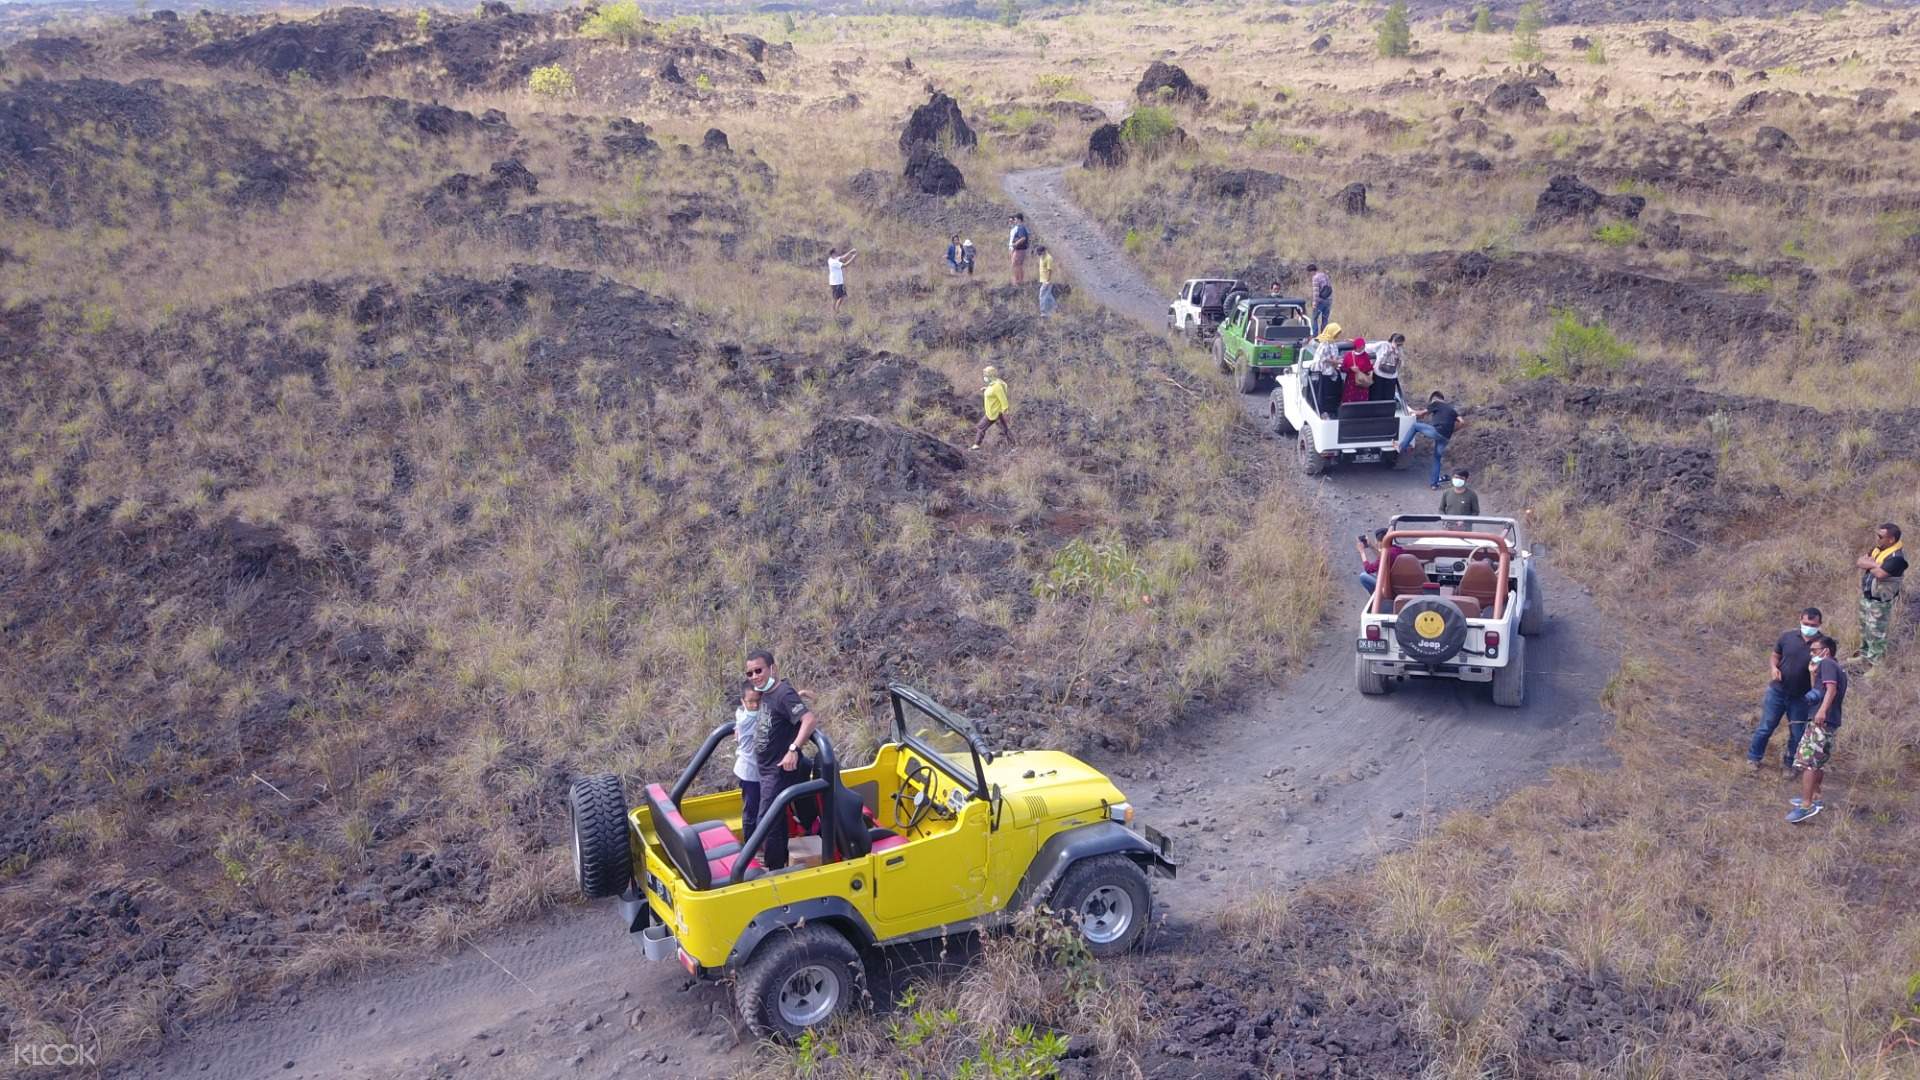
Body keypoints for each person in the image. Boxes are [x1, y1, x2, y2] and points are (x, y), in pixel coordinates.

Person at [745, 649, 818, 870]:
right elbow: (782, 704)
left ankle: (773, 872)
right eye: (750, 673)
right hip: (765, 770)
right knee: (772, 821)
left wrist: (793, 749)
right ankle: (780, 861)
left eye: (759, 670)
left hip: (777, 771)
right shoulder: (769, 691)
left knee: (768, 824)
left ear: (772, 669)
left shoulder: (782, 693)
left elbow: (808, 719)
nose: (755, 676)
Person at [1747, 607, 1822, 776]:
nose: (1808, 626)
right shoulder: (1787, 637)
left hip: (1802, 697)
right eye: (1805, 623)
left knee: (1797, 733)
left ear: (1819, 624)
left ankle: (1790, 765)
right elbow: (1775, 655)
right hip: (1778, 691)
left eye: (1813, 624)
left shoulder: (1823, 645)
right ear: (1800, 620)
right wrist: (1773, 668)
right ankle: (1753, 758)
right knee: (1766, 727)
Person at [1788, 634, 1847, 823]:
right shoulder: (1836, 667)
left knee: (1809, 762)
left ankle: (1806, 805)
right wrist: (1813, 673)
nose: (1811, 653)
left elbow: (1831, 690)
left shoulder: (1828, 664)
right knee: (1818, 761)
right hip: (1829, 721)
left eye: (1814, 650)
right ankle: (1816, 797)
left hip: (1822, 720)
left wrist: (1821, 711)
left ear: (1826, 651)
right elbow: (1820, 690)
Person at [1850, 522, 1905, 665]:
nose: (1877, 539)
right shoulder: (1878, 549)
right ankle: (1864, 656)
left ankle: (1876, 665)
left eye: (1880, 536)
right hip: (1867, 597)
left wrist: (1871, 564)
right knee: (1865, 629)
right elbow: (1859, 561)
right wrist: (1874, 564)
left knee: (1877, 634)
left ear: (1891, 539)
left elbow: (1881, 574)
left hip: (1880, 601)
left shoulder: (1897, 558)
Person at [1399, 390, 1462, 490]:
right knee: (1437, 458)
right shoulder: (1452, 410)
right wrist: (1453, 430)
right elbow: (1462, 422)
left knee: (1415, 426)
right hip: (1446, 437)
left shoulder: (1436, 403)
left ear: (1434, 399)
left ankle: (1401, 447)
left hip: (1437, 431)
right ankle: (1434, 484)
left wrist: (1411, 411)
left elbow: (1421, 414)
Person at [733, 682, 767, 830]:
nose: (754, 705)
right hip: (749, 772)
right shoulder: (748, 719)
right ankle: (751, 847)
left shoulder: (741, 712)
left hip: (758, 771)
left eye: (758, 701)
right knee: (751, 810)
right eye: (750, 702)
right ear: (742, 701)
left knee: (759, 807)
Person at [970, 365, 1015, 450]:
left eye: (986, 375)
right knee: (981, 427)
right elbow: (992, 391)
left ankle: (1013, 447)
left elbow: (1003, 400)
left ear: (991, 375)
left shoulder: (997, 386)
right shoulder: (992, 384)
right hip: (990, 412)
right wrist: (986, 389)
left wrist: (1005, 412)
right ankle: (976, 445)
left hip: (997, 413)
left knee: (1004, 430)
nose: (984, 376)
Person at [1305, 323, 1344, 418]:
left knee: (1336, 387)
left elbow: (1333, 355)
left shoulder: (1332, 343)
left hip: (1331, 369)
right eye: (1336, 333)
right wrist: (1335, 361)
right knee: (1322, 393)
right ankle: (1322, 411)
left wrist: (1337, 361)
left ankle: (1333, 408)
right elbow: (1323, 358)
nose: (1337, 335)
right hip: (1321, 371)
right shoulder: (1324, 344)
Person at [1355, 527, 1405, 598]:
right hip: (1398, 582)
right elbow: (1383, 557)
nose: (1376, 543)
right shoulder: (1397, 550)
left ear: (1381, 542)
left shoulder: (1387, 553)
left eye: (1376, 541)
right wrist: (1371, 547)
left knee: (1363, 576)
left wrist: (1362, 552)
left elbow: (1369, 569)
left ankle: (1378, 598)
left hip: (1389, 586)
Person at [1369, 333, 1405, 403]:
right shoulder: (1383, 345)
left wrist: (1398, 356)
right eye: (1397, 342)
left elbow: (1401, 365)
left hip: (1391, 378)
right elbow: (1368, 348)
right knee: (1376, 397)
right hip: (1378, 375)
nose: (1398, 345)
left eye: (1400, 344)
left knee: (1388, 399)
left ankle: (1386, 412)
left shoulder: (1400, 350)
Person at [1340, 337, 1373, 405]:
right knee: (1350, 403)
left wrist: (1365, 372)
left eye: (1363, 347)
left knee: (1361, 404)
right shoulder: (1348, 355)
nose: (1362, 349)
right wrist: (1350, 369)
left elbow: (1369, 369)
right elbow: (1342, 368)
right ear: (1356, 347)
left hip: (1362, 383)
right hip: (1351, 385)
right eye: (1360, 347)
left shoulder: (1366, 356)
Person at [826, 247, 857, 314]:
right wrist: (853, 258)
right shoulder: (833, 262)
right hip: (837, 282)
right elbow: (845, 265)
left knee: (835, 297)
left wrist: (850, 252)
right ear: (833, 253)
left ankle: (833, 311)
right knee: (841, 297)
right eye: (836, 252)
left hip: (835, 282)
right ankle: (837, 311)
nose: (837, 253)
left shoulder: (831, 259)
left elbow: (842, 258)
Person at [1307, 263, 1332, 333]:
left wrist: (1314, 302)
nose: (1309, 275)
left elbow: (1316, 292)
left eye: (1309, 273)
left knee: (1314, 318)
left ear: (1311, 271)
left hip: (1320, 301)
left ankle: (1315, 336)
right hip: (1328, 300)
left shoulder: (1315, 278)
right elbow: (1329, 287)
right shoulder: (1325, 275)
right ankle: (1323, 336)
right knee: (1325, 319)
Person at [1008, 213, 1031, 284]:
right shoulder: (1019, 227)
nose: (1014, 221)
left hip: (1019, 249)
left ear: (1019, 219)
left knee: (1016, 264)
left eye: (1015, 219)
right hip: (1018, 249)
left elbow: (1023, 238)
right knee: (1016, 264)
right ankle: (1018, 280)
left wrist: (1015, 244)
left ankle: (1018, 280)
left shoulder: (1021, 227)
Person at [1036, 245, 1058, 316]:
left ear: (1044, 251)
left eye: (1040, 252)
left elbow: (1050, 270)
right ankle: (1055, 307)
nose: (1038, 254)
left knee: (1042, 294)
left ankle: (1044, 312)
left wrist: (1047, 280)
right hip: (1043, 279)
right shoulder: (1042, 257)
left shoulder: (1049, 258)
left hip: (1047, 280)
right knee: (1048, 294)